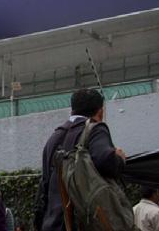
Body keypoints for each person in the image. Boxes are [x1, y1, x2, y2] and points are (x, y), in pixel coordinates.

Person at [35, 88, 126, 231]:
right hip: (83, 223)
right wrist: (119, 158)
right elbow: (105, 161)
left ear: (72, 110)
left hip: (53, 223)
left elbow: (45, 185)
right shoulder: (95, 129)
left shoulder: (53, 139)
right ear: (100, 112)